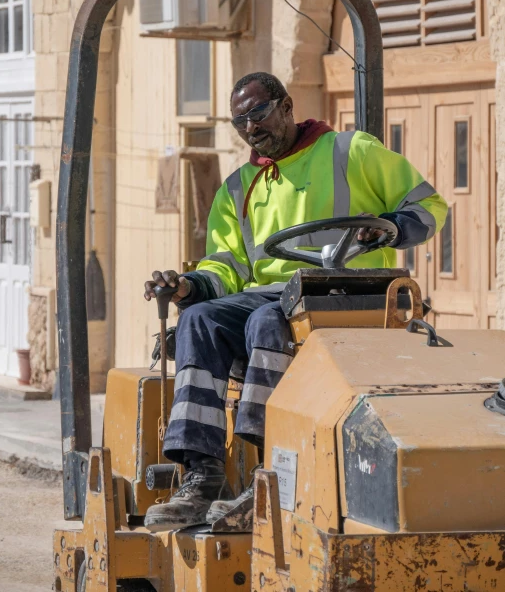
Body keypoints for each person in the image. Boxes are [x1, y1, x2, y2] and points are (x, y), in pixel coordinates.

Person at [143, 72, 447, 531]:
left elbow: (429, 208)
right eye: (239, 121)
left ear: (286, 106)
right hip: (274, 294)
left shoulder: (351, 151)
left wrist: (388, 226)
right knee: (200, 320)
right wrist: (187, 286)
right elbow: (225, 268)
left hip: (354, 291)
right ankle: (204, 474)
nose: (250, 128)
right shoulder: (237, 189)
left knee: (268, 321)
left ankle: (269, 474)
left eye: (258, 114)